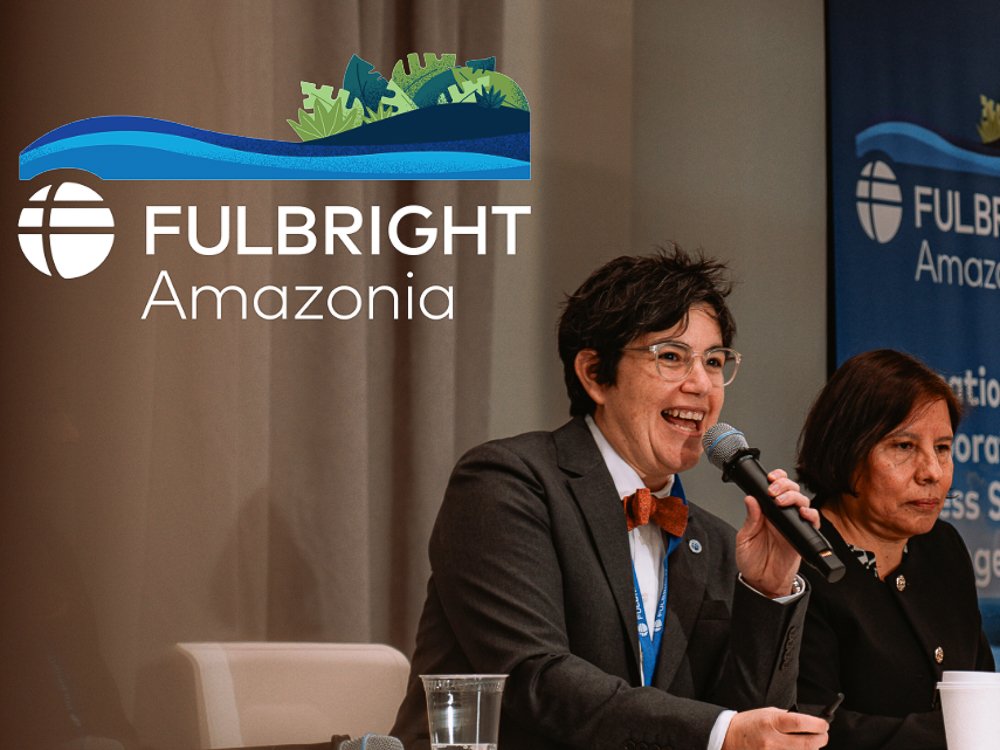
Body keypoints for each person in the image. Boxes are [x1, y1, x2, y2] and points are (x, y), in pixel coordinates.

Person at [391, 247, 829, 750]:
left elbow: (755, 725)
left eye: (714, 361)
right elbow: (536, 679)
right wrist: (719, 733)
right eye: (671, 357)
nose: (702, 385)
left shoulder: (715, 540)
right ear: (595, 374)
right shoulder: (506, 484)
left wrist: (768, 594)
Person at [795, 349, 995, 750]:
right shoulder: (797, 558)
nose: (932, 472)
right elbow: (806, 725)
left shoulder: (943, 546)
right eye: (903, 447)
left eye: (942, 447)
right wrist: (961, 737)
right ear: (846, 451)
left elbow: (981, 688)